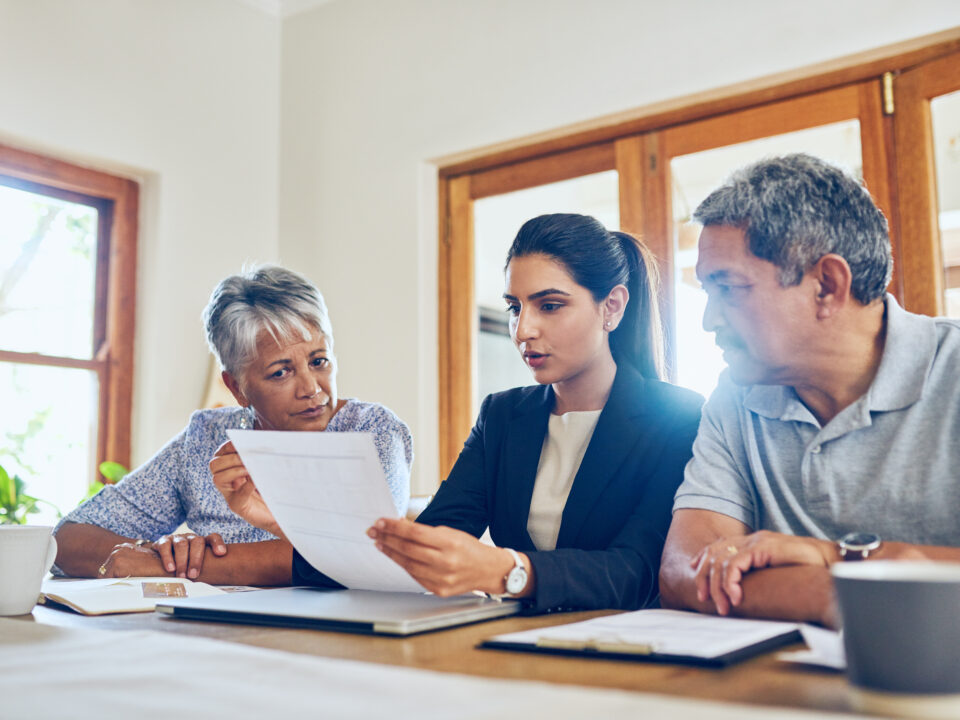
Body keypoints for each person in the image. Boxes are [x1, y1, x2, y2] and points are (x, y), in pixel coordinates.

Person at [217, 214, 700, 610]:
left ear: (611, 308)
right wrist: (285, 521)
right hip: (513, 640)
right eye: (515, 307)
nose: (523, 330)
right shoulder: (504, 417)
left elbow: (637, 571)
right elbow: (419, 546)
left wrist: (506, 570)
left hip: (629, 652)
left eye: (549, 306)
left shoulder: (677, 417)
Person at [659, 154, 960, 627]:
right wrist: (842, 600)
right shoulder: (734, 397)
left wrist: (828, 555)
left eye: (729, 289)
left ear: (827, 285)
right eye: (706, 292)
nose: (708, 321)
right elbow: (683, 572)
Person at [54, 265, 412, 584]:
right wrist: (157, 551)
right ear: (237, 387)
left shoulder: (372, 431)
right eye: (281, 372)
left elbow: (364, 554)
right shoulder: (205, 439)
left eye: (319, 361)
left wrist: (166, 567)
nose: (312, 389)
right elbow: (68, 539)